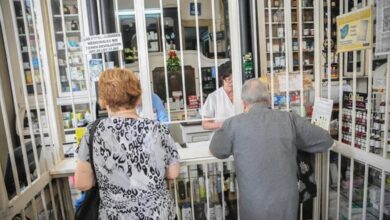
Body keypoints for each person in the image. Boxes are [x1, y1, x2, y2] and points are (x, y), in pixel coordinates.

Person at [209, 78, 334, 219]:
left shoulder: (233, 124)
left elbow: (217, 150)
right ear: (267, 99)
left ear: (244, 103)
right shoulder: (289, 119)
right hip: (286, 203)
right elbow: (325, 140)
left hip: (253, 203)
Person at [75, 68, 180, 219]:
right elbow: (173, 172)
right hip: (159, 215)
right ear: (138, 99)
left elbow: (82, 183)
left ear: (103, 101)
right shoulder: (157, 129)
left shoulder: (93, 131)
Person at [202, 61, 235, 130]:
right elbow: (205, 124)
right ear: (222, 79)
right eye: (229, 80)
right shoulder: (213, 97)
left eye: (234, 80)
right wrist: (222, 125)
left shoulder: (242, 93)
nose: (232, 83)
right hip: (222, 136)